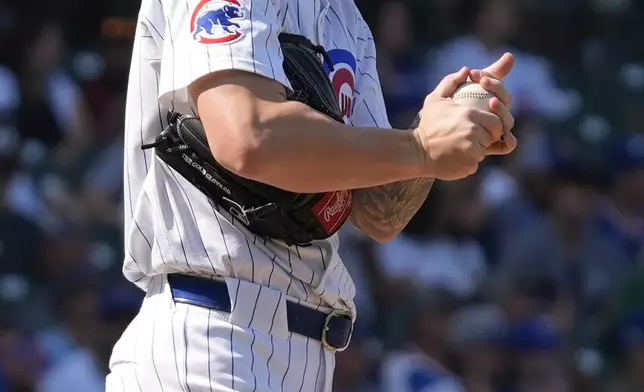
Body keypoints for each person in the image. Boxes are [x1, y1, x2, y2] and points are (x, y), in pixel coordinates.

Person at [106, 0, 517, 391]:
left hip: (303, 350)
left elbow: (378, 211)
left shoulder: (346, 18)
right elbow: (249, 137)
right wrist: (420, 148)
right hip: (212, 329)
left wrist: (437, 131)